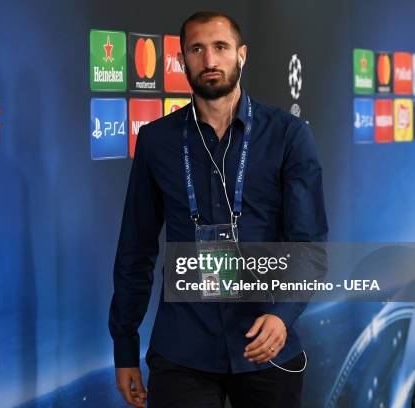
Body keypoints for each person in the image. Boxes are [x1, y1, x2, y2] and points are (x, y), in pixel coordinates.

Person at [108, 11, 328, 408]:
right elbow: (135, 250)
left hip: (266, 343)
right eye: (197, 49)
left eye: (221, 47)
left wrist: (283, 315)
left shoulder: (288, 135)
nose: (209, 60)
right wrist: (125, 347)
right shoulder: (156, 141)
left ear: (241, 55)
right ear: (182, 60)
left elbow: (309, 244)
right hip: (182, 350)